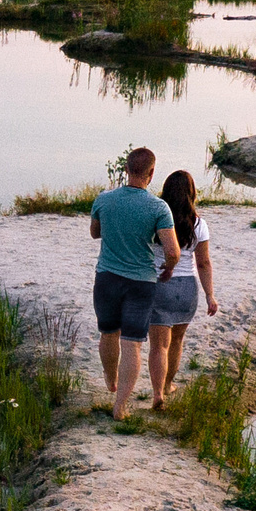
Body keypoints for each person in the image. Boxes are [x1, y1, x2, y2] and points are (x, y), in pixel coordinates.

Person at [88, 147, 181, 418]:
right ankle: (121, 405)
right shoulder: (158, 207)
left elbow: (95, 233)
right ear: (151, 173)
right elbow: (172, 251)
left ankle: (110, 376)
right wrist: (169, 268)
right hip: (141, 282)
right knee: (132, 343)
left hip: (107, 277)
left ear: (126, 169)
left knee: (108, 332)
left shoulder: (104, 199)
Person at [151, 170, 219, 403]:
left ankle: (157, 393)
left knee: (159, 345)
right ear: (192, 194)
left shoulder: (156, 220)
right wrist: (210, 295)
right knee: (177, 342)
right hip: (188, 287)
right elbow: (204, 262)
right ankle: (168, 385)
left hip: (161, 284)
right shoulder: (199, 224)